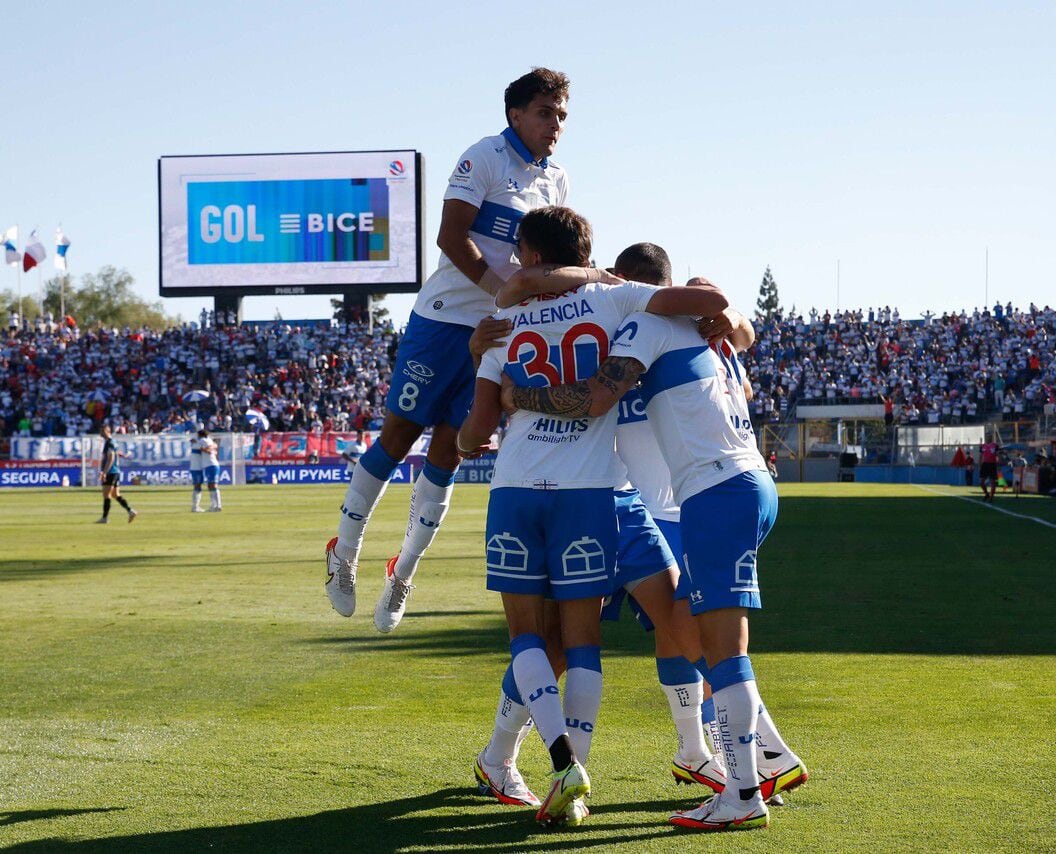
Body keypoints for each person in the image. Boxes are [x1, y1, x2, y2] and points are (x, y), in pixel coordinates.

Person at [458, 209, 731, 826]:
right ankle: (504, 757)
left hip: (610, 495)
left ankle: (696, 748)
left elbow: (475, 427)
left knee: (669, 622)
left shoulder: (528, 315)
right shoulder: (616, 303)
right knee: (566, 643)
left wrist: (730, 322)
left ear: (529, 255)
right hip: (593, 492)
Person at [503, 279, 807, 832]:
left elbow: (596, 397)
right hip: (748, 483)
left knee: (716, 649)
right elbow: (735, 320)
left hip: (708, 493)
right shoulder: (707, 332)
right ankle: (756, 758)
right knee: (691, 629)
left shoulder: (644, 326)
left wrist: (515, 395)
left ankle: (743, 790)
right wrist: (734, 314)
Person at [325, 67, 575, 634]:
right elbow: (449, 235)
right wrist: (501, 290)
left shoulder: (556, 180)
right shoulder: (482, 157)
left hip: (496, 333)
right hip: (442, 322)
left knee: (449, 454)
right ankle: (343, 551)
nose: (554, 124)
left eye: (561, 115)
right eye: (545, 112)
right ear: (515, 114)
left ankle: (402, 571)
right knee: (397, 437)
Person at [97, 423, 138, 523]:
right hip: (116, 472)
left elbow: (110, 459)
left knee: (106, 495)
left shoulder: (109, 443)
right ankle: (130, 511)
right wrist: (121, 454)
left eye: (102, 431)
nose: (100, 433)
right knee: (116, 494)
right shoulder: (113, 442)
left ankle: (104, 518)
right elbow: (114, 453)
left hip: (111, 472)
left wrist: (104, 472)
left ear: (107, 431)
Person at [190, 428, 222, 513]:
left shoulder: (202, 441)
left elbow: (212, 445)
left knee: (211, 485)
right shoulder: (202, 441)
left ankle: (216, 506)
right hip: (200, 466)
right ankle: (212, 506)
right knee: (206, 485)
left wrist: (209, 449)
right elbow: (214, 445)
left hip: (207, 465)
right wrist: (212, 449)